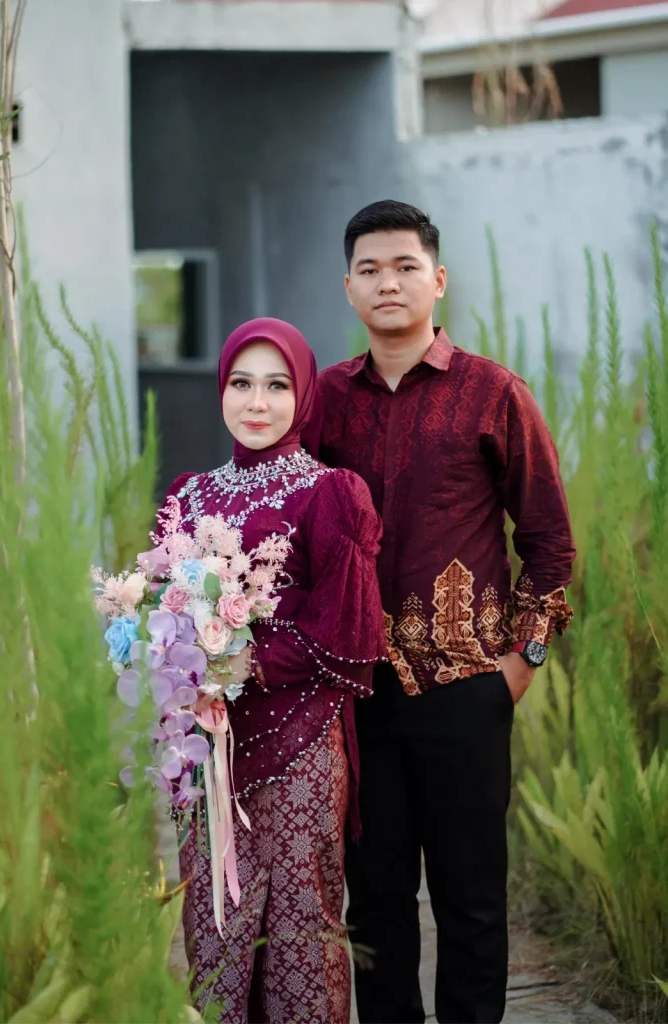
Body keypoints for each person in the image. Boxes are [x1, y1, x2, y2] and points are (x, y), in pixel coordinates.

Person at [314, 200, 576, 1024]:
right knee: (375, 905)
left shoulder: (494, 394)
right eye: (369, 269)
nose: (387, 282)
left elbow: (550, 543)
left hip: (468, 689)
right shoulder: (323, 401)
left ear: (438, 280)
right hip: (357, 698)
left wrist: (520, 667)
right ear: (348, 288)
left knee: (471, 903)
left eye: (405, 266)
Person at [160, 318, 386, 1023]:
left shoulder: (331, 493)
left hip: (299, 747)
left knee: (299, 936)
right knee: (214, 933)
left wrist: (244, 658)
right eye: (241, 383)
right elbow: (164, 616)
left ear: (304, 396)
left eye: (277, 386)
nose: (257, 403)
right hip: (209, 751)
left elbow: (349, 633)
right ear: (221, 390)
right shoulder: (189, 495)